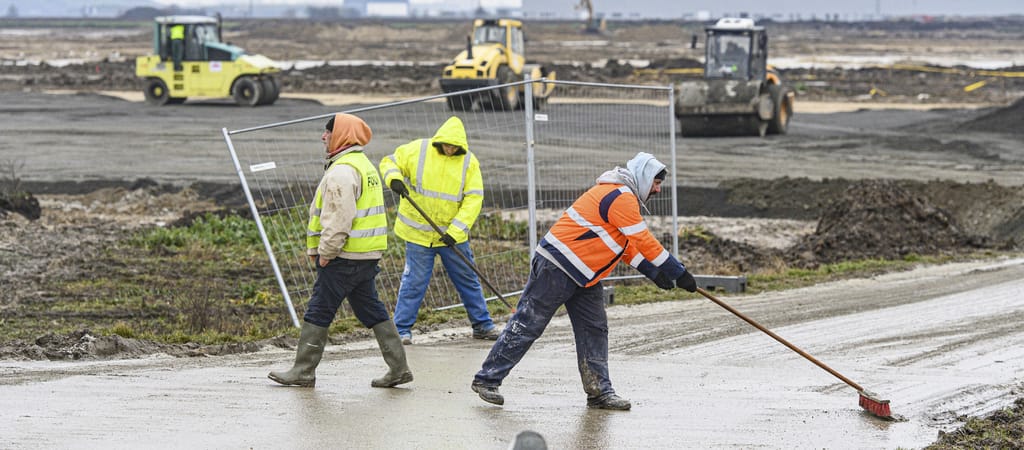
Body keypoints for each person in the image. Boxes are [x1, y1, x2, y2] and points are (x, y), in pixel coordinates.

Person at [470, 152, 697, 410]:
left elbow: (626, 246)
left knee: (594, 329)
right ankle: (487, 379)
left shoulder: (622, 196)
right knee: (529, 322)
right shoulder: (620, 196)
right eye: (656, 183)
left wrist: (653, 273)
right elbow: (644, 241)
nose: (657, 189)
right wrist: (679, 272)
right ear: (644, 177)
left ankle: (599, 392)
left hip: (585, 274)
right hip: (557, 266)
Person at [268, 113, 413, 389]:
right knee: (371, 310)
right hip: (366, 255)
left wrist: (325, 252)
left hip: (344, 256)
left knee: (319, 309)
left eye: (328, 132)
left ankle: (303, 370)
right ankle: (399, 368)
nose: (323, 136)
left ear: (343, 136)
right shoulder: (363, 165)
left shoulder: (342, 171)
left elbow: (339, 218)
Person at [379, 116, 498, 344]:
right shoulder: (418, 150)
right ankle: (401, 330)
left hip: (451, 237)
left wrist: (455, 231)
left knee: (467, 279)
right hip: (419, 235)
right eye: (447, 145)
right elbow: (389, 162)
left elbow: (473, 199)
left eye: (455, 147)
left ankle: (482, 325)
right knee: (414, 282)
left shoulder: (469, 162)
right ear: (439, 140)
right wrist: (394, 179)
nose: (450, 149)